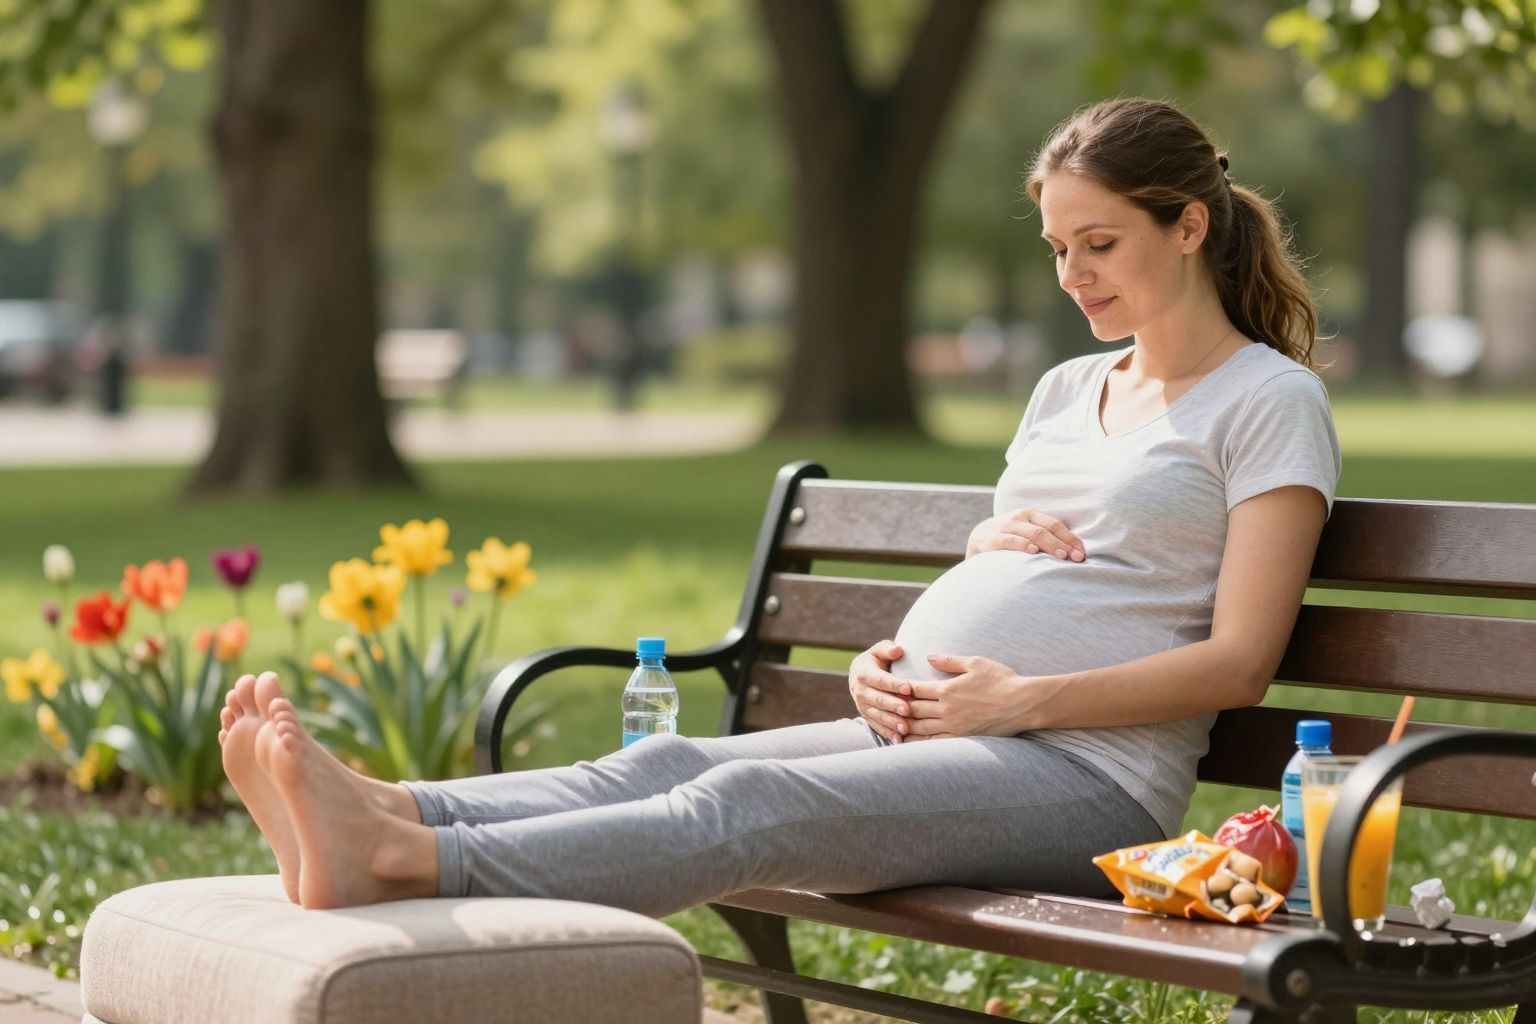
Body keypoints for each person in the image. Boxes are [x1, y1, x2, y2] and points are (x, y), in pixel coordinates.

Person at [218, 97, 1342, 914]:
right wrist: (895, 659)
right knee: (667, 767)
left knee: (751, 803)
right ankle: (392, 812)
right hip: (941, 735)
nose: (1073, 276)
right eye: (1057, 248)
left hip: (1089, 782)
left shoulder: (1268, 401)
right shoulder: (1064, 390)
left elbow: (1240, 661)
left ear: (1188, 226)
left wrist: (1019, 697)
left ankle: (403, 861)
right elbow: (1027, 571)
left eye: (1100, 244)